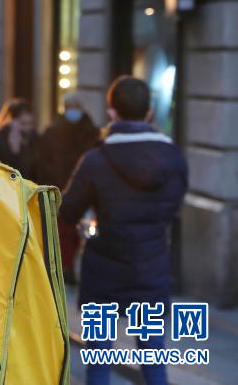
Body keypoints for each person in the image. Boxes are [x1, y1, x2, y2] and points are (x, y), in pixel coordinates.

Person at [60, 76, 187, 385]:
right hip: (150, 267)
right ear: (149, 112)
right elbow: (173, 205)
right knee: (154, 362)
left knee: (99, 363)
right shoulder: (173, 157)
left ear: (112, 112)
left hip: (103, 271)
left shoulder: (96, 159)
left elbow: (67, 210)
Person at [39, 93, 99, 284]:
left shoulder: (91, 132)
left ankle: (77, 269)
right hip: (59, 188)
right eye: (70, 106)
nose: (74, 110)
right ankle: (66, 268)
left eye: (76, 106)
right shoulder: (52, 132)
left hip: (86, 192)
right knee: (63, 234)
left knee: (84, 233)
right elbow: (45, 163)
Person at [0, 98, 39, 180]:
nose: (28, 128)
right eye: (23, 123)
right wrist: (15, 152)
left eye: (30, 123)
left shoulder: (35, 138)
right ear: (12, 122)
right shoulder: (1, 140)